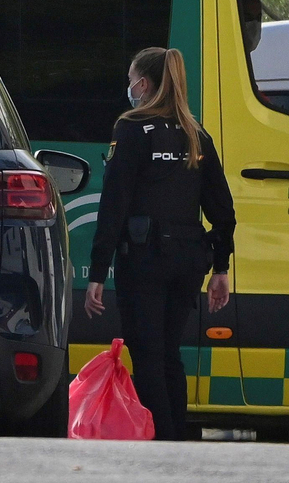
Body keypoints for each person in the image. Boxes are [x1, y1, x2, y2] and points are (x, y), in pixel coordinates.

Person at [85, 46, 235, 442]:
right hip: (188, 259)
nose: (129, 88)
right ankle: (178, 440)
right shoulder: (195, 133)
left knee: (147, 354)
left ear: (144, 84)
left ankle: (162, 443)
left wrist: (98, 272)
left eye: (132, 79)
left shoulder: (131, 128)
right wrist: (221, 268)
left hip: (145, 257)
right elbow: (222, 210)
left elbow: (113, 205)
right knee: (170, 353)